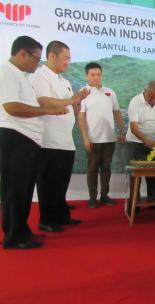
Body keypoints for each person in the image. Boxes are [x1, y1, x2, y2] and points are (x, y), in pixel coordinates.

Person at [0, 36, 68, 249]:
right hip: (15, 137)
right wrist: (47, 110)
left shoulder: (21, 75)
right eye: (36, 58)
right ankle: (14, 236)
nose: (37, 63)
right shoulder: (6, 71)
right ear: (22, 53)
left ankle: (20, 230)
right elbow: (11, 107)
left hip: (26, 140)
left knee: (24, 189)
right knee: (16, 189)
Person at [30, 40, 88, 233]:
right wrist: (72, 100)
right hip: (49, 140)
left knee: (61, 182)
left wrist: (76, 103)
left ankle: (62, 216)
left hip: (65, 141)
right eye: (66, 58)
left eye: (69, 59)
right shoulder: (41, 75)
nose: (67, 63)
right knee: (48, 183)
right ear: (52, 56)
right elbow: (44, 101)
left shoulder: (64, 81)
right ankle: (46, 220)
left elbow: (71, 105)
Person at [78, 62, 125, 209]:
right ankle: (92, 197)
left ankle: (104, 195)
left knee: (106, 167)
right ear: (87, 75)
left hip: (109, 138)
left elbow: (117, 112)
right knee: (92, 168)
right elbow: (80, 117)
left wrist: (122, 130)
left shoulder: (110, 92)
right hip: (93, 139)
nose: (96, 77)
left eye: (98, 74)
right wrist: (85, 138)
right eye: (93, 75)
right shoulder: (83, 93)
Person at [125, 81, 155, 206]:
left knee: (153, 173)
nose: (154, 101)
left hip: (154, 142)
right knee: (135, 175)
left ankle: (154, 202)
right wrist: (146, 141)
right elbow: (133, 127)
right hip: (135, 143)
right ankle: (134, 204)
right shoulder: (135, 102)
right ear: (145, 91)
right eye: (151, 97)